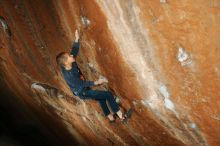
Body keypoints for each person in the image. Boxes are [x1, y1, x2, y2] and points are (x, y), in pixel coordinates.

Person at [56, 30, 127, 123]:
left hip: (82, 88)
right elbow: (82, 83)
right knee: (108, 95)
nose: (71, 56)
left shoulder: (68, 63)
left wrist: (76, 39)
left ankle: (111, 118)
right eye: (69, 56)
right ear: (66, 63)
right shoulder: (69, 76)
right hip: (82, 92)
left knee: (101, 98)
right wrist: (97, 82)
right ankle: (122, 117)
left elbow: (74, 51)